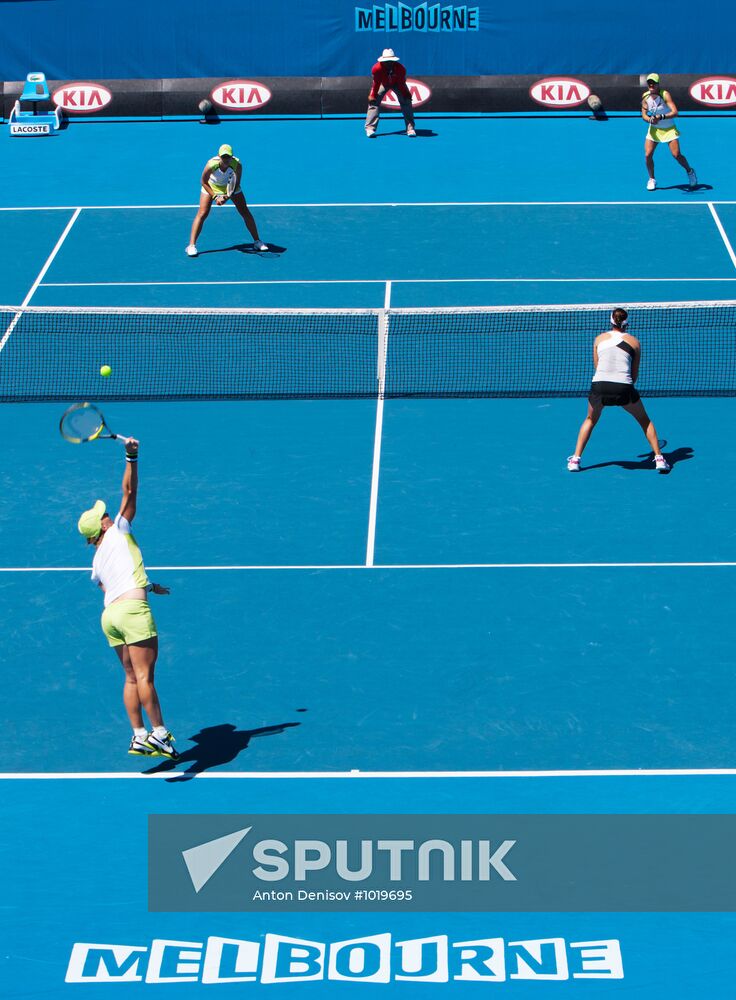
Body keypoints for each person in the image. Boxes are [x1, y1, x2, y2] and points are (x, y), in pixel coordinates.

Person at [77, 437, 179, 758]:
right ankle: (160, 734)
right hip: (134, 614)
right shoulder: (119, 529)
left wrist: (149, 586)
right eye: (105, 515)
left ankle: (138, 735)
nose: (109, 513)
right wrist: (131, 456)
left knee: (131, 677)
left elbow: (115, 587)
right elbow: (130, 492)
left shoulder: (97, 561)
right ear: (104, 526)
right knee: (147, 676)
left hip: (110, 618)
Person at [567, 308, 670, 473]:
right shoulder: (635, 342)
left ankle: (575, 460)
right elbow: (633, 375)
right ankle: (659, 459)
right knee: (645, 421)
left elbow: (597, 366)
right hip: (623, 387)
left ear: (611, 321)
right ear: (627, 323)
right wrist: (624, 393)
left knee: (590, 420)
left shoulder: (599, 339)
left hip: (600, 386)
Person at [186, 143, 267, 256]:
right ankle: (191, 245)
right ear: (219, 156)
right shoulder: (211, 165)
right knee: (202, 213)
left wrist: (226, 196)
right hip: (211, 186)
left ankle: (257, 241)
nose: (226, 159)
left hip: (230, 186)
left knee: (245, 211)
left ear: (232, 157)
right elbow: (203, 182)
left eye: (228, 157)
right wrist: (215, 196)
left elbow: (236, 183)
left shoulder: (237, 164)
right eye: (223, 157)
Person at [641, 73, 697, 191]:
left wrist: (661, 117)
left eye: (654, 83)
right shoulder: (645, 97)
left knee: (676, 155)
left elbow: (675, 112)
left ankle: (690, 171)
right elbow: (644, 115)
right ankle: (652, 179)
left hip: (669, 129)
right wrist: (650, 119)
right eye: (649, 83)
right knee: (647, 155)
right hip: (654, 130)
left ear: (658, 84)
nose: (651, 85)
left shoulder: (665, 95)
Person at [365, 48, 416, 138]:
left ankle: (410, 129)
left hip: (397, 84)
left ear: (394, 61)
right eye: (386, 61)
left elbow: (401, 84)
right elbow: (376, 83)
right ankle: (370, 128)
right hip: (383, 84)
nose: (389, 63)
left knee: (406, 101)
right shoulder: (376, 68)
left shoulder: (401, 69)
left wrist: (406, 94)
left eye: (391, 61)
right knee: (373, 102)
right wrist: (372, 95)